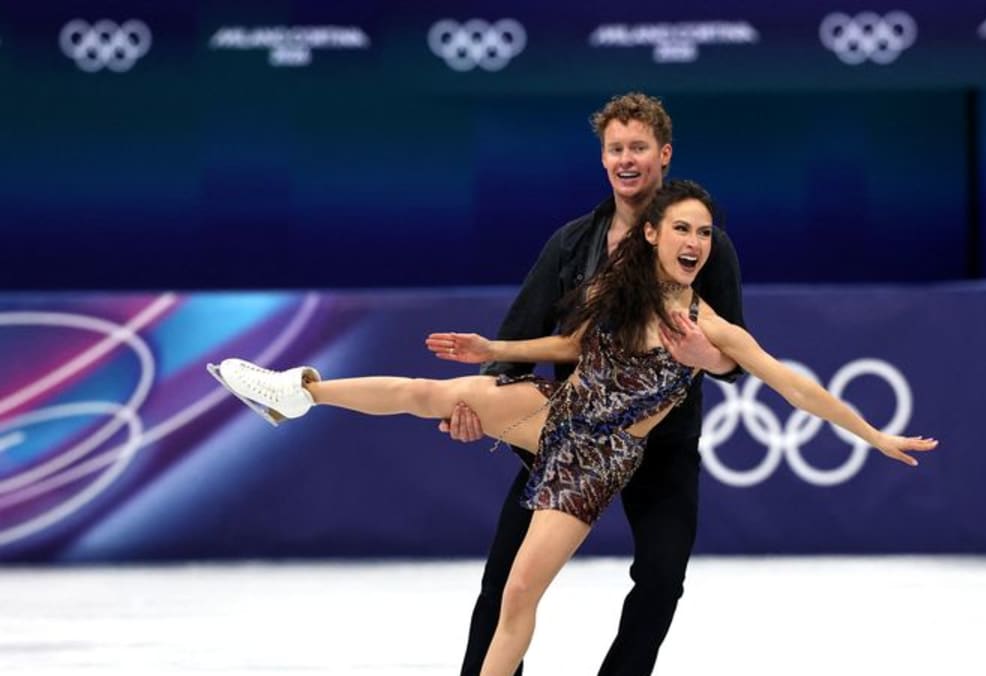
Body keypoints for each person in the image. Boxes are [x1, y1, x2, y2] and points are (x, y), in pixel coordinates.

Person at [209, 180, 938, 676]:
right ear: (652, 233)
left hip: (598, 460)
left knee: (521, 592)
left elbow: (795, 387)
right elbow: (567, 347)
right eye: (680, 227)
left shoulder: (713, 328)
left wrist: (873, 434)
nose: (694, 241)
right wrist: (496, 353)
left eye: (704, 232)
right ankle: (295, 392)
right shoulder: (614, 287)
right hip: (552, 413)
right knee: (423, 392)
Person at [454, 92, 746, 676]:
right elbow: (521, 333)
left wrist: (706, 355)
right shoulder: (571, 244)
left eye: (639, 147)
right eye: (616, 148)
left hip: (659, 445)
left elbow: (734, 357)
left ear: (663, 154)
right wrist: (481, 403)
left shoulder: (699, 242)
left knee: (662, 577)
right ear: (603, 159)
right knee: (504, 579)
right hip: (573, 437)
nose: (626, 159)